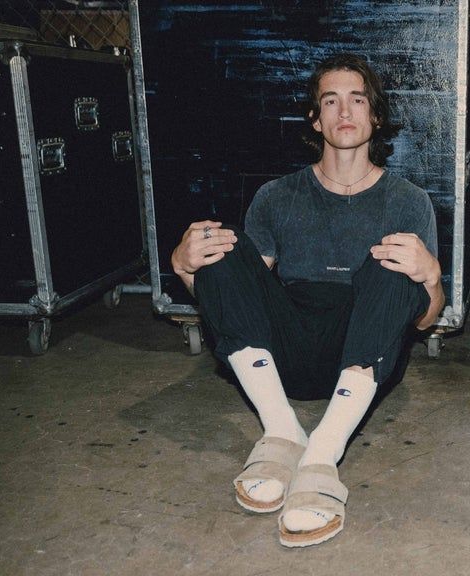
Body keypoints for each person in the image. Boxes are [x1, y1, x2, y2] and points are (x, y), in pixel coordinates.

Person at [170, 53, 444, 548]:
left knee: (397, 258)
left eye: (357, 100)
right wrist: (185, 268)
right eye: (331, 101)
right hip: (288, 351)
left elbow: (424, 322)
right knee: (220, 242)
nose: (345, 111)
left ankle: (321, 453)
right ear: (315, 119)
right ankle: (282, 430)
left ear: (375, 116)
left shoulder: (409, 201)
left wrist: (432, 278)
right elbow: (241, 297)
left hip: (363, 349)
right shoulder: (277, 196)